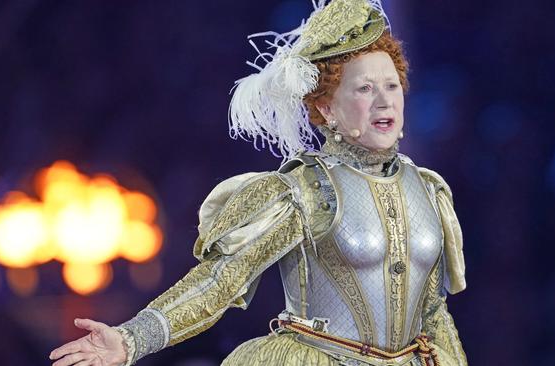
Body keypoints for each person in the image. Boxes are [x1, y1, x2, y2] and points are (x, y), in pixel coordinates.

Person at [49, 0, 468, 365]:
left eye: (392, 85)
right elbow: (219, 281)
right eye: (364, 88)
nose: (384, 100)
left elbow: (433, 313)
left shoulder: (428, 189)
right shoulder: (304, 190)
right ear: (327, 108)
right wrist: (131, 339)